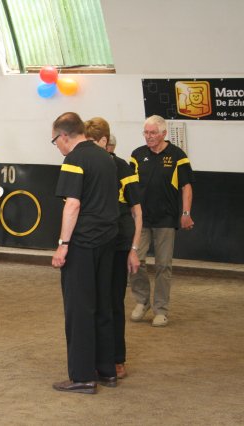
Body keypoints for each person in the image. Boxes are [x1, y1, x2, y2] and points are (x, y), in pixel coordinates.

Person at [50, 112, 118, 394]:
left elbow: (73, 205)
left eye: (54, 140)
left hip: (83, 243)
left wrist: (63, 244)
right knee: (103, 306)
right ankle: (107, 371)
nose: (56, 145)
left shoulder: (74, 160)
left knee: (79, 310)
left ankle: (82, 376)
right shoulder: (106, 157)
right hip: (108, 242)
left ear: (64, 135)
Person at [85, 118, 142, 379]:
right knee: (94, 302)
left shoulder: (122, 167)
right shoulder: (83, 166)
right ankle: (95, 357)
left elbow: (137, 212)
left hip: (119, 245)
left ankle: (117, 358)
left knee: (114, 302)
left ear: (104, 142)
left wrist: (134, 249)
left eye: (92, 142)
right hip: (94, 244)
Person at [129, 115, 194, 327]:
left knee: (163, 265)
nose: (149, 136)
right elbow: (129, 186)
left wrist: (186, 213)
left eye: (153, 133)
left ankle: (161, 309)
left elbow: (186, 187)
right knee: (135, 261)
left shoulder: (177, 156)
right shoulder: (137, 155)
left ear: (164, 133)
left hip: (166, 219)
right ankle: (142, 301)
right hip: (141, 219)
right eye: (146, 133)